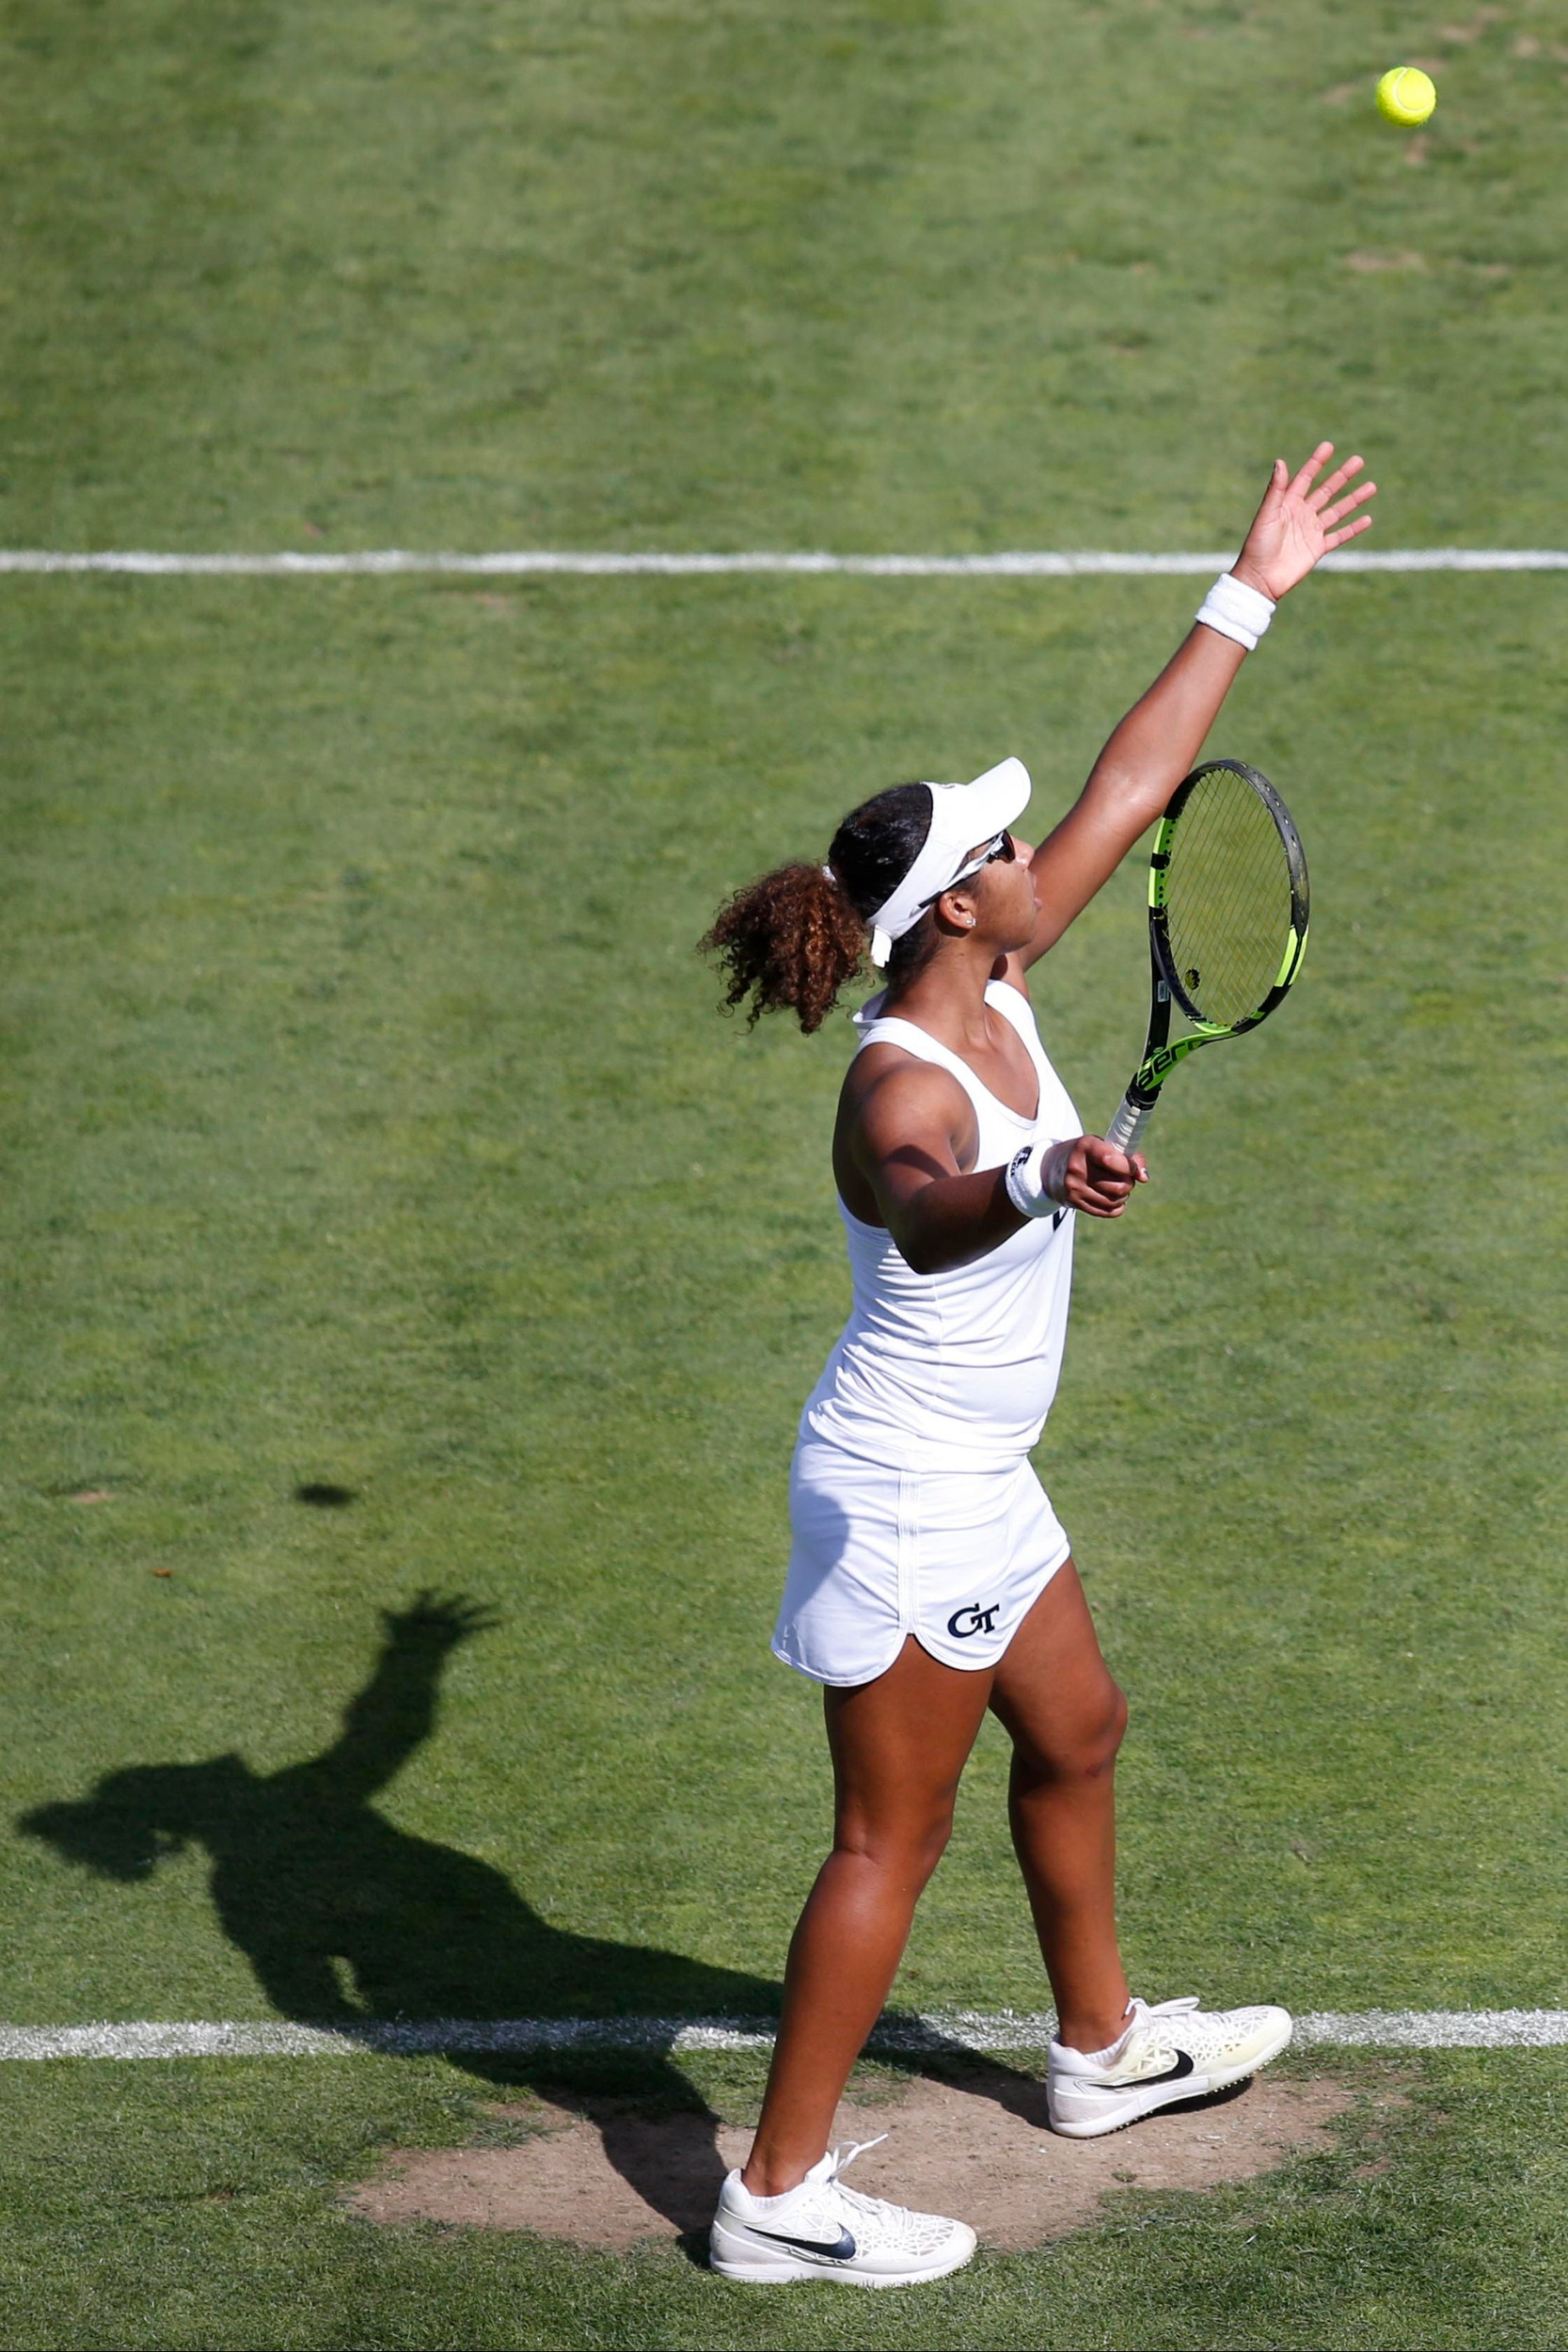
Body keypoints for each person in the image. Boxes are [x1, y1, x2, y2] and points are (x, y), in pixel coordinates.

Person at [699, 445, 1375, 2289]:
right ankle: (775, 2194)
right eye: (995, 853)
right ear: (953, 908)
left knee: (1078, 1733)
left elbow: (1131, 784)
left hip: (978, 1471)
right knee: (887, 1838)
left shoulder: (990, 978)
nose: (1028, 856)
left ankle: (1100, 2048)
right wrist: (1033, 1177)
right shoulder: (898, 1084)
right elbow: (924, 1206)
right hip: (905, 1489)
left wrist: (1251, 589)